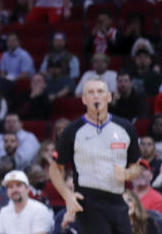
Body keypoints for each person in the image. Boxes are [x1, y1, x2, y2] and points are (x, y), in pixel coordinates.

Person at [49, 78, 141, 234]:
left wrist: (126, 173)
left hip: (119, 199)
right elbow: (55, 168)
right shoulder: (72, 130)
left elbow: (136, 167)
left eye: (100, 91)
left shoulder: (126, 127)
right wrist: (67, 195)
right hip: (88, 201)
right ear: (84, 99)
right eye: (90, 92)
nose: (96, 96)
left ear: (109, 97)